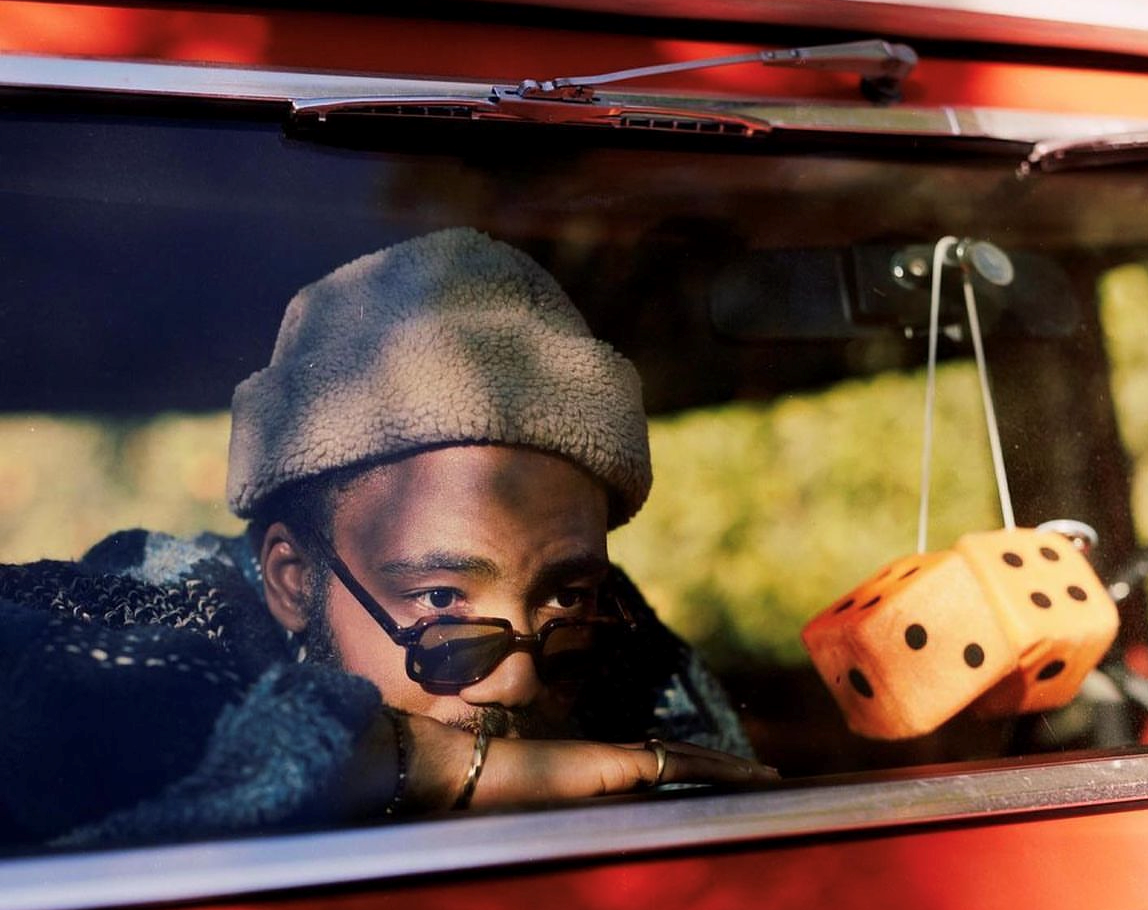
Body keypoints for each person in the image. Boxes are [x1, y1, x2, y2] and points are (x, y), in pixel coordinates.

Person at [0, 228, 772, 850]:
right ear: (293, 582)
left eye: (565, 594)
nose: (516, 686)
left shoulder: (618, 644)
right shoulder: (168, 604)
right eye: (441, 600)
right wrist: (426, 762)